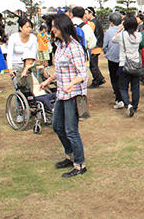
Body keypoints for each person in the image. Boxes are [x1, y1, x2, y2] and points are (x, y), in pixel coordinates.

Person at [39, 13, 88, 178]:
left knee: (71, 130)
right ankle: (70, 155)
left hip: (73, 94)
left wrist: (71, 84)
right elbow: (59, 70)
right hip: (61, 93)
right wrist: (48, 81)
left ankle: (80, 164)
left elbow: (83, 74)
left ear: (63, 28)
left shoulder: (75, 47)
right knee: (57, 126)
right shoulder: (60, 46)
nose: (52, 30)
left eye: (54, 27)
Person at [112, 15, 142, 118]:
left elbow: (113, 39)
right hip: (136, 64)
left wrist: (120, 28)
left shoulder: (122, 35)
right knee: (135, 87)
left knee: (123, 87)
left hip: (124, 64)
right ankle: (135, 106)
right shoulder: (139, 35)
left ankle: (127, 104)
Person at [103, 12, 123, 109]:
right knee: (122, 78)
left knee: (114, 78)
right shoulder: (124, 30)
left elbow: (105, 46)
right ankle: (123, 96)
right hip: (123, 58)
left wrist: (107, 53)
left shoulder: (108, 32)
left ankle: (119, 98)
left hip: (112, 58)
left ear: (111, 22)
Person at [86, 7, 106, 88]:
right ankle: (99, 78)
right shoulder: (96, 21)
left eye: (86, 14)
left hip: (94, 47)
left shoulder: (92, 23)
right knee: (94, 65)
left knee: (93, 65)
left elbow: (89, 36)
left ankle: (97, 80)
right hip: (97, 45)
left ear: (91, 14)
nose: (85, 15)